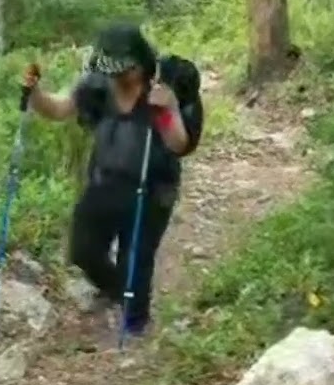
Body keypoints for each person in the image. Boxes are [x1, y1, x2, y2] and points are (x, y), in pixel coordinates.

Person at [23, 24, 204, 339]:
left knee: (137, 255)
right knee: (82, 249)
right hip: (104, 182)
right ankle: (117, 288)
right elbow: (58, 108)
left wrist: (168, 109)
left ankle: (135, 324)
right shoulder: (96, 86)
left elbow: (179, 144)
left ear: (138, 62)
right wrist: (35, 93)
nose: (119, 76)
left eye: (125, 69)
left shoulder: (161, 88)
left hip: (152, 189)